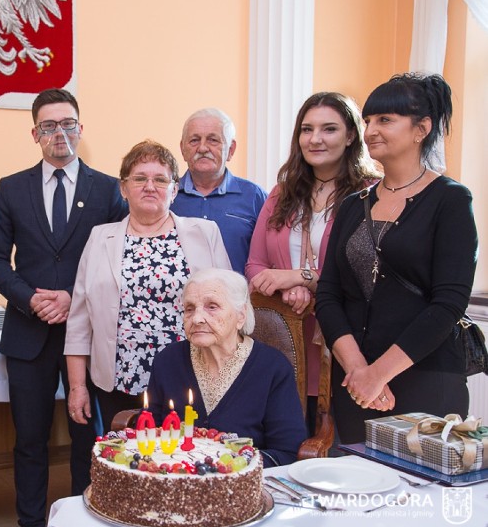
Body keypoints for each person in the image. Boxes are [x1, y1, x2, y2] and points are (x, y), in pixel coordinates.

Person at [0, 88, 126, 527]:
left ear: (81, 130)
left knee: (88, 438)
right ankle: (30, 526)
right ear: (34, 134)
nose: (59, 133)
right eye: (48, 126)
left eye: (67, 124)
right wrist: (30, 298)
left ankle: (87, 522)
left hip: (87, 335)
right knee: (29, 440)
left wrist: (71, 296)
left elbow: (120, 255)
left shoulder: (107, 189)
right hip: (29, 335)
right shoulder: (12, 188)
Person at [315, 73, 478, 444]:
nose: (371, 130)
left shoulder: (450, 201)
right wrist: (358, 370)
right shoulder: (353, 205)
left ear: (422, 128)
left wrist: (379, 375)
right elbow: (328, 294)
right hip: (355, 383)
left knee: (421, 497)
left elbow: (448, 303)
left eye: (385, 120)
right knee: (359, 493)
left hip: (427, 378)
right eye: (368, 120)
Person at [65, 140, 231, 435]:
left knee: (186, 459)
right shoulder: (100, 238)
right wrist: (77, 386)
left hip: (193, 375)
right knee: (128, 464)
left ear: (175, 189)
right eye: (140, 178)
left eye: (160, 179)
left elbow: (229, 310)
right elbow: (79, 320)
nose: (149, 186)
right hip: (118, 381)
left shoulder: (204, 234)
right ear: (123, 188)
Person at [245, 92, 380, 432]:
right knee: (288, 441)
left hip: (346, 339)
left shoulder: (371, 194)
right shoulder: (281, 194)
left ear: (351, 135)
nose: (315, 139)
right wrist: (290, 290)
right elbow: (256, 267)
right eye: (307, 129)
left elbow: (367, 275)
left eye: (329, 129)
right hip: (284, 338)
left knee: (340, 445)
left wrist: (301, 278)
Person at [147, 268, 307, 467]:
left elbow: (287, 452)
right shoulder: (168, 361)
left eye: (211, 307)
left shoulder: (272, 368)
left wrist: (229, 467)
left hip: (245, 487)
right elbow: (149, 436)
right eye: (189, 308)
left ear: (240, 316)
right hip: (175, 483)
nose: (197, 318)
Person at [170, 108, 268, 273]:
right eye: (194, 140)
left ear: (231, 149)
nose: (202, 148)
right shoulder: (166, 197)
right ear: (182, 149)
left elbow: (269, 258)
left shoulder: (254, 197)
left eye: (213, 140)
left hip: (237, 298)